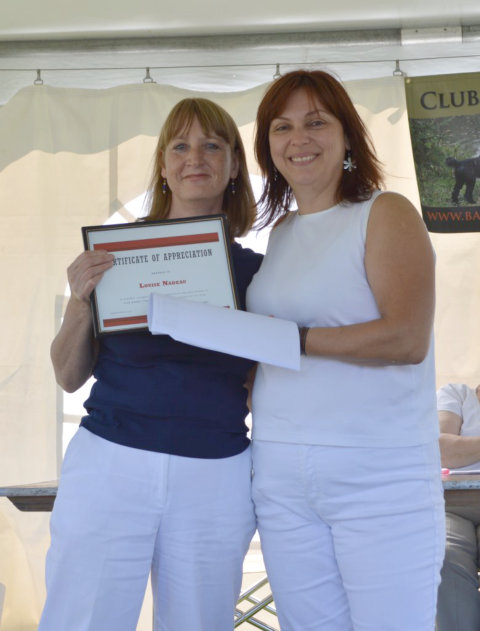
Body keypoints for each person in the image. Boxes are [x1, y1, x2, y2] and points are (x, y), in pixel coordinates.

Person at [39, 98, 262, 631]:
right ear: (163, 165)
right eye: (180, 146)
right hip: (110, 463)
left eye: (212, 146)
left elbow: (266, 384)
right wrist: (80, 303)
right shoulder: (115, 258)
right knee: (81, 619)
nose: (195, 158)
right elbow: (68, 376)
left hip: (215, 472)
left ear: (234, 165)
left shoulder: (260, 272)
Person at [245, 70, 446, 630]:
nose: (298, 139)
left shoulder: (385, 212)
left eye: (316, 122)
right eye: (282, 127)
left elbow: (406, 338)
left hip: (379, 475)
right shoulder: (280, 233)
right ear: (267, 147)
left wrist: (292, 339)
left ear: (347, 135)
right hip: (280, 473)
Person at [436, 382, 480, 631]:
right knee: (446, 555)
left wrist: (466, 448)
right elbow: (442, 450)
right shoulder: (456, 394)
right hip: (453, 503)